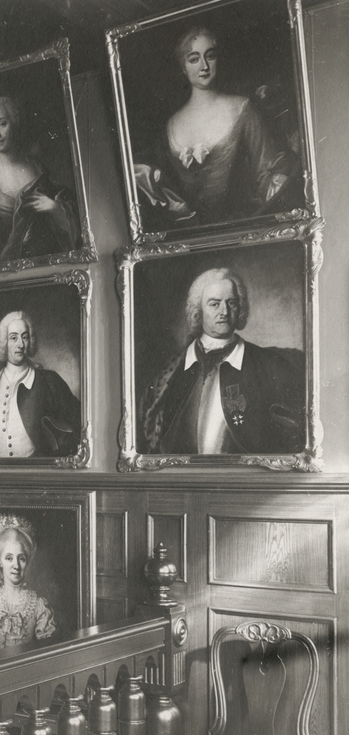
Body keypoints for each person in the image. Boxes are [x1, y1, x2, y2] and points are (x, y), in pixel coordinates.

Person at [133, 27, 300, 231]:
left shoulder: (242, 108)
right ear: (183, 67)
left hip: (238, 230)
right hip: (189, 236)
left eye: (210, 56)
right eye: (194, 59)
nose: (204, 66)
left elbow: (266, 169)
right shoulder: (171, 125)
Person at [140, 267, 305, 455]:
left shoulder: (269, 366)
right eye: (214, 304)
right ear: (198, 311)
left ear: (240, 308)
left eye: (231, 303)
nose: (224, 311)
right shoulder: (171, 373)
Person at [0, 96, 80, 270]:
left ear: (13, 123)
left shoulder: (37, 168)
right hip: (8, 269)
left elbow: (71, 220)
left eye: (2, 124)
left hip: (47, 265)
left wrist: (54, 208)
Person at [0, 310, 81, 459]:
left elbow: (79, 420)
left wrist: (58, 457)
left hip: (37, 470)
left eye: (25, 337)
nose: (20, 344)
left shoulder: (49, 381)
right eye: (13, 338)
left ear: (30, 341)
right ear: (4, 342)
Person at [0, 515, 56, 656]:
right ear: (0, 561)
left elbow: (48, 650)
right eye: (9, 558)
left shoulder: (39, 605)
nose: (16, 565)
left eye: (21, 558)